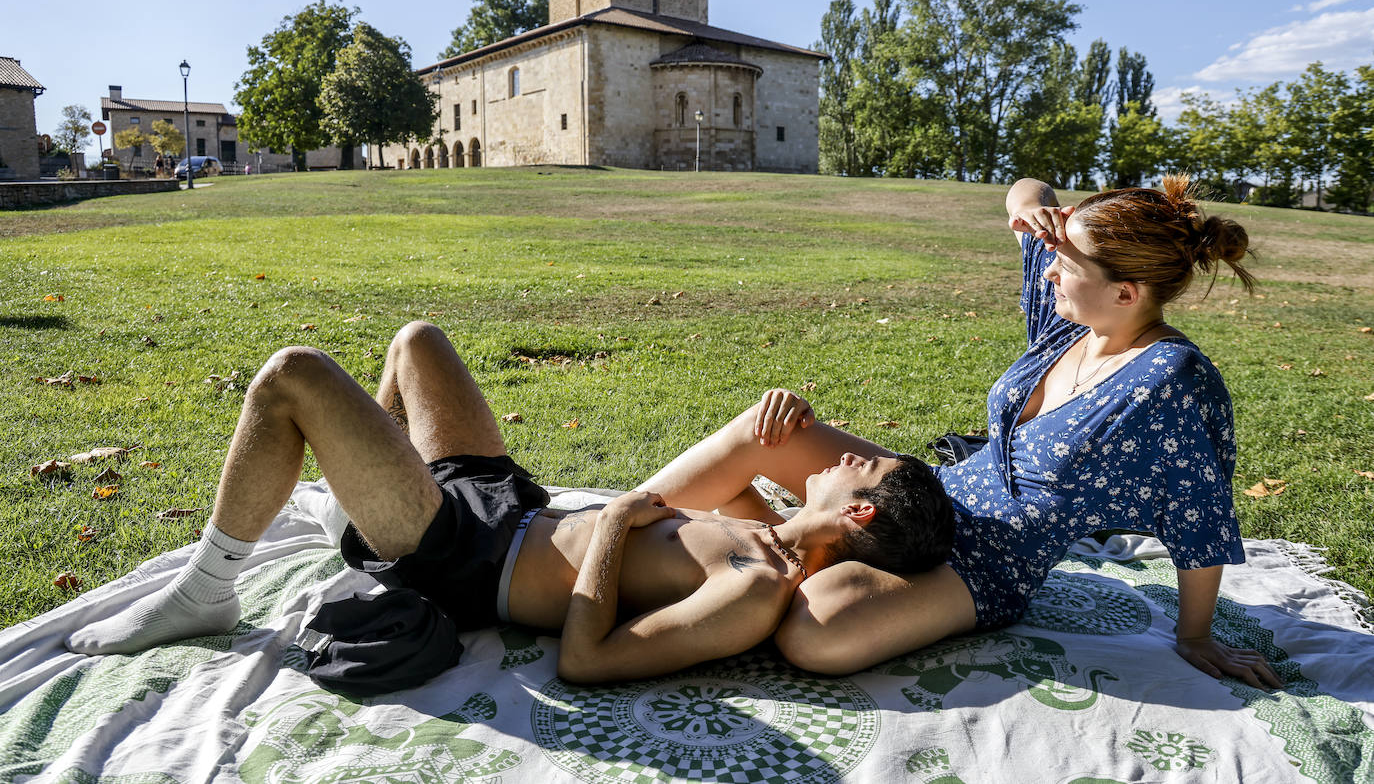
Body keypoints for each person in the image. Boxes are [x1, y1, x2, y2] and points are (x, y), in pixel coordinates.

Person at [637, 175, 1282, 690]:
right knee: (763, 431)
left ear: (1127, 292)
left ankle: (766, 541)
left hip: (991, 557)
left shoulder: (1172, 380)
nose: (1049, 270)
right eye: (1052, 254)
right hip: (930, 494)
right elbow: (1027, 188)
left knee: (817, 635)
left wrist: (1194, 635)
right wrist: (1035, 213)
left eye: (1065, 261)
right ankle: (613, 529)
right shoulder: (1074, 321)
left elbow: (1200, 506)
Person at [65, 322, 955, 688]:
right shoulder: (762, 524)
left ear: (863, 517)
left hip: (465, 556)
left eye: (859, 471)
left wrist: (608, 527)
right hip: (505, 500)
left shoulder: (757, 587)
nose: (844, 457)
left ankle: (207, 588)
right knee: (417, 343)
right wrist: (776, 441)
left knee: (294, 375)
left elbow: (587, 659)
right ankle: (352, 506)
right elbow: (743, 454)